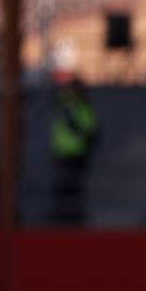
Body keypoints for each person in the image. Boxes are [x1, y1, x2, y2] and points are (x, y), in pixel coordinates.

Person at [49, 69, 99, 226]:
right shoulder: (68, 104)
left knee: (75, 190)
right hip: (68, 152)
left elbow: (91, 126)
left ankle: (71, 218)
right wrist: (85, 134)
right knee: (67, 189)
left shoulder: (80, 105)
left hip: (78, 152)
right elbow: (74, 126)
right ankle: (64, 219)